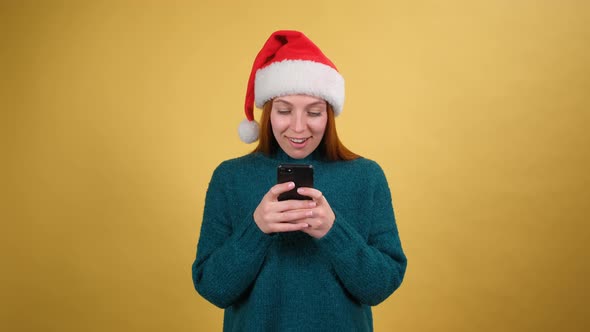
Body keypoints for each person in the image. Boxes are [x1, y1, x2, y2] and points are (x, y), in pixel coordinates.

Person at [192, 30, 407, 332]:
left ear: (329, 115)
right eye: (283, 111)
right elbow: (213, 288)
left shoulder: (366, 177)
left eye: (314, 112)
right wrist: (257, 228)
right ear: (267, 113)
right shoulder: (230, 178)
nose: (298, 126)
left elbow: (380, 286)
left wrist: (334, 231)